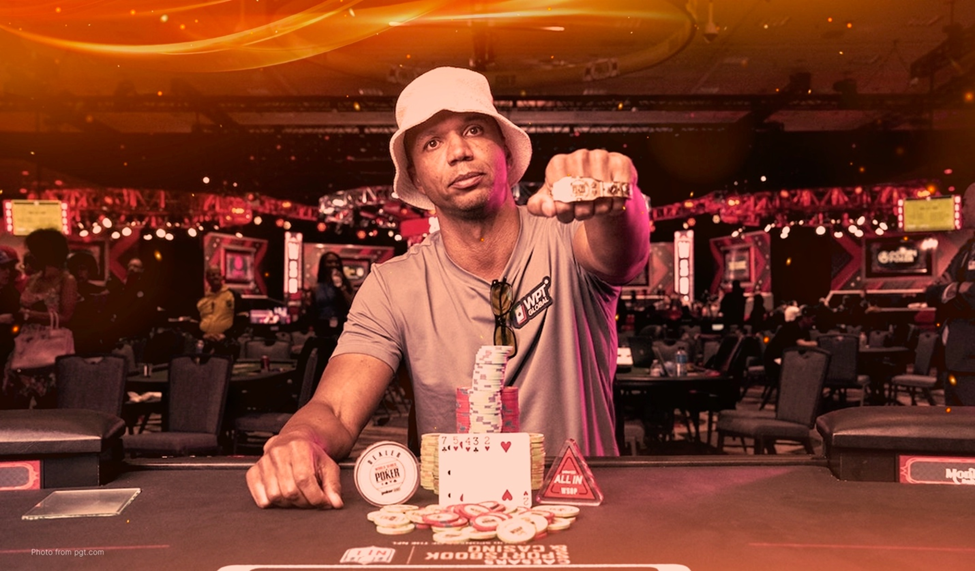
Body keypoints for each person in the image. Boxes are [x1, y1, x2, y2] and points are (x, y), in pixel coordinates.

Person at [247, 66, 650, 509]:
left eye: (474, 129)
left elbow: (623, 256)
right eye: (432, 142)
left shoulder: (569, 237)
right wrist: (299, 439)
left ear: (506, 154)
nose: (458, 151)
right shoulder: (392, 284)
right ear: (417, 179)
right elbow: (336, 410)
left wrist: (616, 201)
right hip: (455, 522)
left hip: (582, 508)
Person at [2, 229, 78, 409]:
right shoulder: (33, 279)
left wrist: (30, 315)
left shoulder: (67, 280)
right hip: (26, 342)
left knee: (48, 401)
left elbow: (66, 317)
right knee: (16, 400)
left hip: (51, 343)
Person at [925, 184, 975, 405]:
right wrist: (957, 287)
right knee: (954, 434)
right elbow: (932, 292)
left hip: (971, 363)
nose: (961, 210)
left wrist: (958, 289)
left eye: (965, 203)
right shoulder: (968, 247)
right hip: (953, 361)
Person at [67, 251, 111, 355]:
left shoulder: (99, 291)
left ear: (90, 270)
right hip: (71, 336)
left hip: (92, 337)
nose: (79, 272)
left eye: (82, 268)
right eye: (75, 268)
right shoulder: (66, 290)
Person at [763, 305, 818, 385]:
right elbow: (801, 344)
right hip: (774, 362)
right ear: (805, 318)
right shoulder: (791, 327)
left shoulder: (805, 330)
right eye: (812, 319)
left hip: (786, 360)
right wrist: (819, 343)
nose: (813, 322)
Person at [197, 266, 240, 356]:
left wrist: (226, 335)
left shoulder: (233, 295)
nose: (216, 277)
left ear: (222, 277)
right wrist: (203, 335)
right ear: (207, 278)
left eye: (218, 274)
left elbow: (241, 320)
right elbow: (195, 321)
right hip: (205, 344)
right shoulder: (201, 299)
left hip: (226, 343)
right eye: (212, 275)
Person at [311, 252, 355, 338]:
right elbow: (314, 311)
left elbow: (352, 305)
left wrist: (340, 286)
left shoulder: (347, 285)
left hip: (342, 326)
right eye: (329, 262)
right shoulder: (316, 287)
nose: (333, 265)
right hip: (323, 327)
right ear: (323, 264)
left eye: (336, 262)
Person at [0, 247, 22, 372]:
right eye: (3, 269)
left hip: (8, 353)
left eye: (8, 268)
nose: (7, 272)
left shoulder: (10, 292)